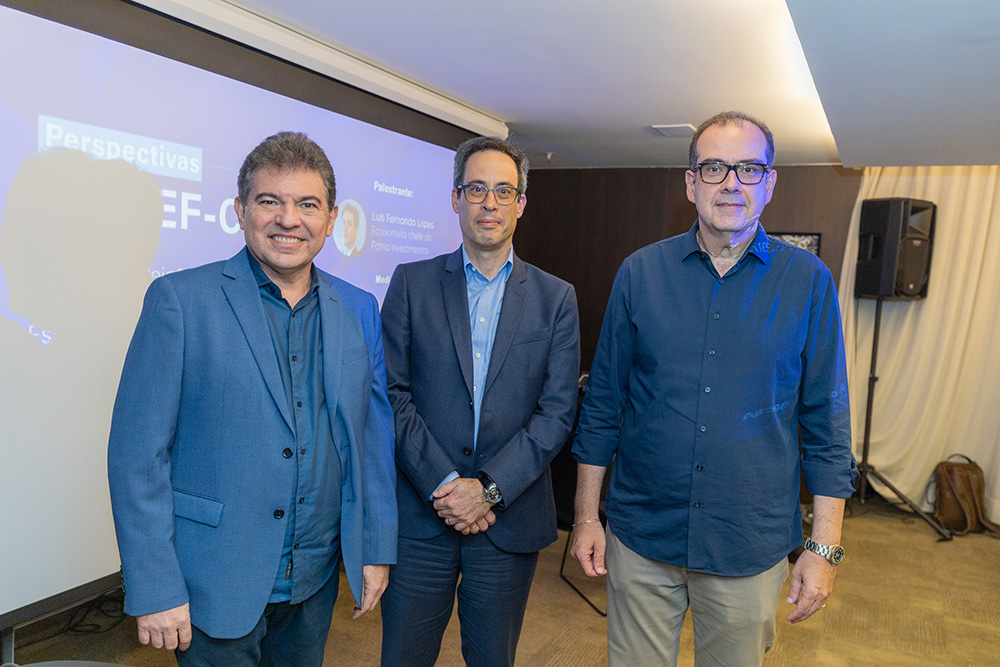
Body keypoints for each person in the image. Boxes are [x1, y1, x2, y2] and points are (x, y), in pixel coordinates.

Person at [571, 111, 858, 666]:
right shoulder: (640, 273)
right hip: (642, 533)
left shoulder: (808, 282)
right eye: (714, 168)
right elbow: (603, 404)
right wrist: (586, 516)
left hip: (746, 543)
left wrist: (824, 548)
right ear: (691, 182)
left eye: (749, 168)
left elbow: (827, 421)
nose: (731, 182)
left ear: (769, 183)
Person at [107, 131, 397, 667]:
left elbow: (371, 440)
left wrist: (375, 550)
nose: (289, 219)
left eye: (308, 204)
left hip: (314, 579)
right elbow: (137, 457)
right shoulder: (180, 301)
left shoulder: (358, 309)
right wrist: (155, 586)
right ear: (241, 211)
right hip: (214, 579)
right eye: (270, 201)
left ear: (331, 218)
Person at [379, 136, 581, 667]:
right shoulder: (411, 283)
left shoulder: (556, 298)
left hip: (508, 523)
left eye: (503, 191)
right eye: (476, 189)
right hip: (421, 517)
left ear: (521, 203)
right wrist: (447, 486)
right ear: (455, 198)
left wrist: (488, 491)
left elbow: (557, 412)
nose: (489, 203)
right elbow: (391, 393)